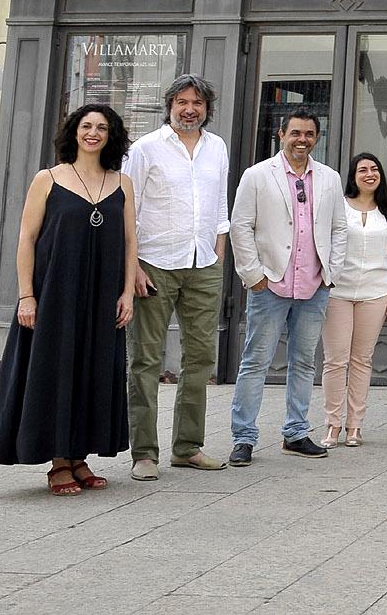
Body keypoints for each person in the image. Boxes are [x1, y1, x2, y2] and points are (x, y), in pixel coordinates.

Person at [0, 105, 138, 495]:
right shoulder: (47, 179)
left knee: (92, 370)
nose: (93, 133)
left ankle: (79, 456)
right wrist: (26, 296)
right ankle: (58, 461)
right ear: (74, 132)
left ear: (111, 135)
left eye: (102, 127)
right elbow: (26, 239)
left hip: (102, 296)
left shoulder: (122, 183)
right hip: (55, 294)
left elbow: (131, 242)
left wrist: (127, 292)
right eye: (86, 126)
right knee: (56, 370)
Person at [121, 74, 229, 480]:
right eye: (182, 101)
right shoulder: (145, 149)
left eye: (197, 103)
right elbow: (129, 209)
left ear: (206, 109)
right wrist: (131, 267)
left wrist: (218, 253)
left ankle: (187, 448)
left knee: (200, 358)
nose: (189, 109)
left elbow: (220, 204)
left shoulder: (216, 147)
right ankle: (144, 453)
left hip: (203, 264)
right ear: (169, 105)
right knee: (146, 359)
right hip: (154, 264)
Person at [228, 109, 347, 466]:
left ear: (316, 138)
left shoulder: (328, 178)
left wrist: (331, 273)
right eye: (296, 133)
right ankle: (244, 437)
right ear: (282, 134)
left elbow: (339, 229)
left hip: (313, 285)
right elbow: (240, 227)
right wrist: (254, 276)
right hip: (271, 285)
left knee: (304, 363)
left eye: (309, 134)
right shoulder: (257, 175)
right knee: (256, 362)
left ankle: (296, 432)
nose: (302, 140)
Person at [322, 153, 387, 448]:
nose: (369, 174)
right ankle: (332, 423)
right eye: (362, 170)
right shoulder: (339, 206)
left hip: (375, 292)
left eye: (374, 169)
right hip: (338, 292)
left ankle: (355, 425)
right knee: (335, 360)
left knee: (362, 360)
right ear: (353, 176)